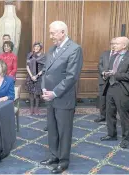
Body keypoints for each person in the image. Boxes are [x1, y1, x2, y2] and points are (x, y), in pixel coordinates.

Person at [40, 21, 83, 174]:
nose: (50, 36)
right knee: (52, 129)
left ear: (63, 32)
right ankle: (53, 155)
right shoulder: (52, 49)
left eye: (53, 33)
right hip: (50, 97)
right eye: (50, 33)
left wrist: (55, 92)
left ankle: (63, 160)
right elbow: (46, 71)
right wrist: (44, 88)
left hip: (63, 98)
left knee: (64, 131)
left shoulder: (74, 49)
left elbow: (71, 77)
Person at [100, 37, 129, 148]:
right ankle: (112, 134)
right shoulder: (114, 56)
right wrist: (106, 74)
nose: (114, 45)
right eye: (114, 43)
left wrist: (114, 74)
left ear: (124, 45)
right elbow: (110, 71)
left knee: (123, 115)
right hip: (110, 87)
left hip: (122, 89)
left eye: (117, 43)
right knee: (109, 113)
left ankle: (125, 139)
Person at [94, 38, 117, 123]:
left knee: (112, 100)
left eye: (115, 43)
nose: (113, 45)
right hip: (103, 80)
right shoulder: (104, 54)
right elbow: (100, 65)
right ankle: (102, 115)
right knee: (102, 99)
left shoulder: (119, 55)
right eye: (112, 43)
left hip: (114, 81)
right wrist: (103, 72)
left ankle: (111, 118)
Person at [25, 42, 46, 115]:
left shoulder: (43, 56)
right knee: (31, 93)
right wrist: (31, 76)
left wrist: (36, 76)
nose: (36, 48)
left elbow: (44, 68)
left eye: (38, 47)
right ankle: (31, 108)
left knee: (37, 94)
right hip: (30, 77)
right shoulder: (30, 55)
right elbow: (27, 66)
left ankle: (36, 108)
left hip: (39, 77)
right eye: (35, 46)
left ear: (40, 48)